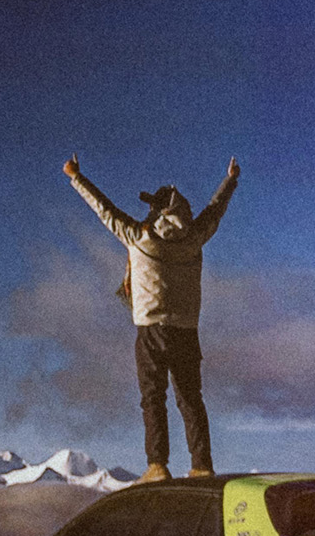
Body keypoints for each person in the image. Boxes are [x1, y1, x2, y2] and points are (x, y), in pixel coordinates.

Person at [64, 154, 241, 484]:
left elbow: (104, 209)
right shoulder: (195, 237)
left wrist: (76, 177)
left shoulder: (138, 236)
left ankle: (157, 465)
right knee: (191, 399)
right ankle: (202, 464)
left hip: (150, 331)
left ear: (158, 210)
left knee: (152, 398)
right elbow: (216, 209)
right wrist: (230, 180)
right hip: (187, 331)